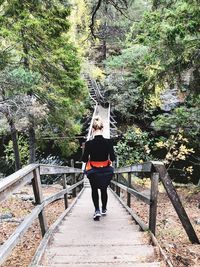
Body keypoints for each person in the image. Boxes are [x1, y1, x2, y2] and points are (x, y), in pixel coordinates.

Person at [82, 116, 116, 220]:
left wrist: (86, 152)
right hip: (106, 170)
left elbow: (84, 159)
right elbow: (113, 158)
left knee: (94, 189)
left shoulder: (88, 144)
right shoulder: (109, 142)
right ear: (103, 129)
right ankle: (104, 209)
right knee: (104, 189)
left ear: (92, 129)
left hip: (93, 171)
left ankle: (97, 210)